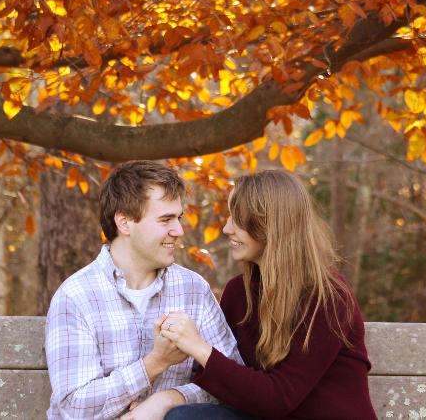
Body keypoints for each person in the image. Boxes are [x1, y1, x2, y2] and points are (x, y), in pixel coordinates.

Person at [159, 169, 378, 420]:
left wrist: (199, 347)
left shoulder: (326, 296)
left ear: (269, 224)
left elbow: (278, 398)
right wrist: (163, 397)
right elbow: (222, 377)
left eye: (237, 218)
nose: (227, 228)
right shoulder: (238, 293)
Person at [45, 160, 241, 420]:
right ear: (124, 222)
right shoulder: (77, 296)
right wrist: (155, 363)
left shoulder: (192, 289)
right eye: (165, 219)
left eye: (178, 217)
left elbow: (232, 381)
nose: (179, 230)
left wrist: (169, 400)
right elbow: (73, 408)